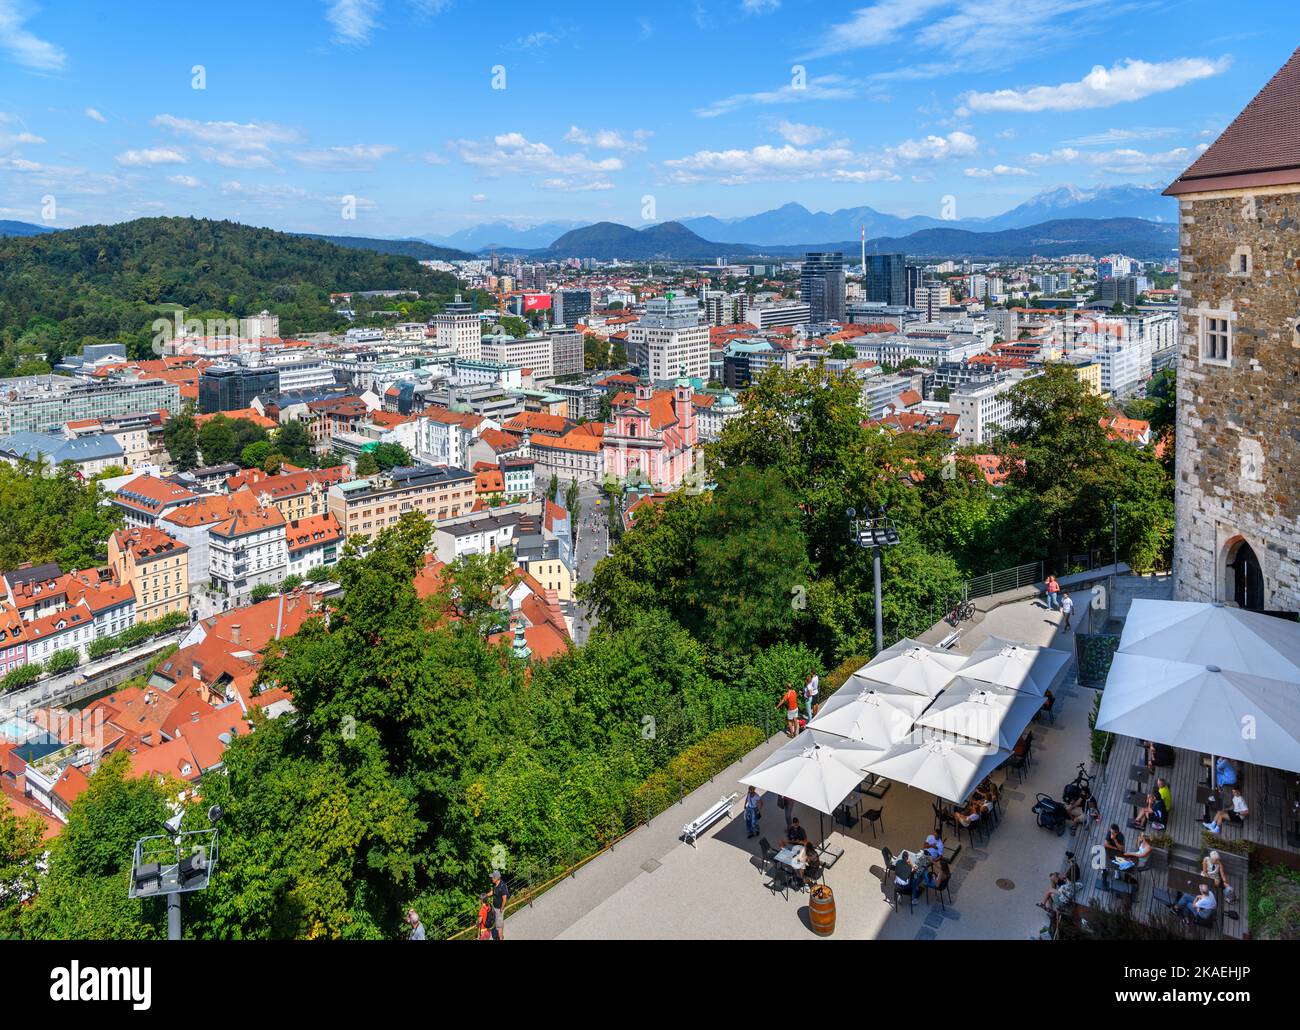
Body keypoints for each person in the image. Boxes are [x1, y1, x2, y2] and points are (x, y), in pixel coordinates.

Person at [489, 870, 509, 940]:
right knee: (499, 923)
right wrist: (487, 895)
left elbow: (504, 899)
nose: (491, 879)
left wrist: (501, 909)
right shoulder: (496, 884)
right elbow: (493, 891)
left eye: (492, 877)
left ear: (496, 878)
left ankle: (500, 938)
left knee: (499, 926)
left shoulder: (502, 886)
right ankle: (501, 936)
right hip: (495, 907)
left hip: (499, 909)